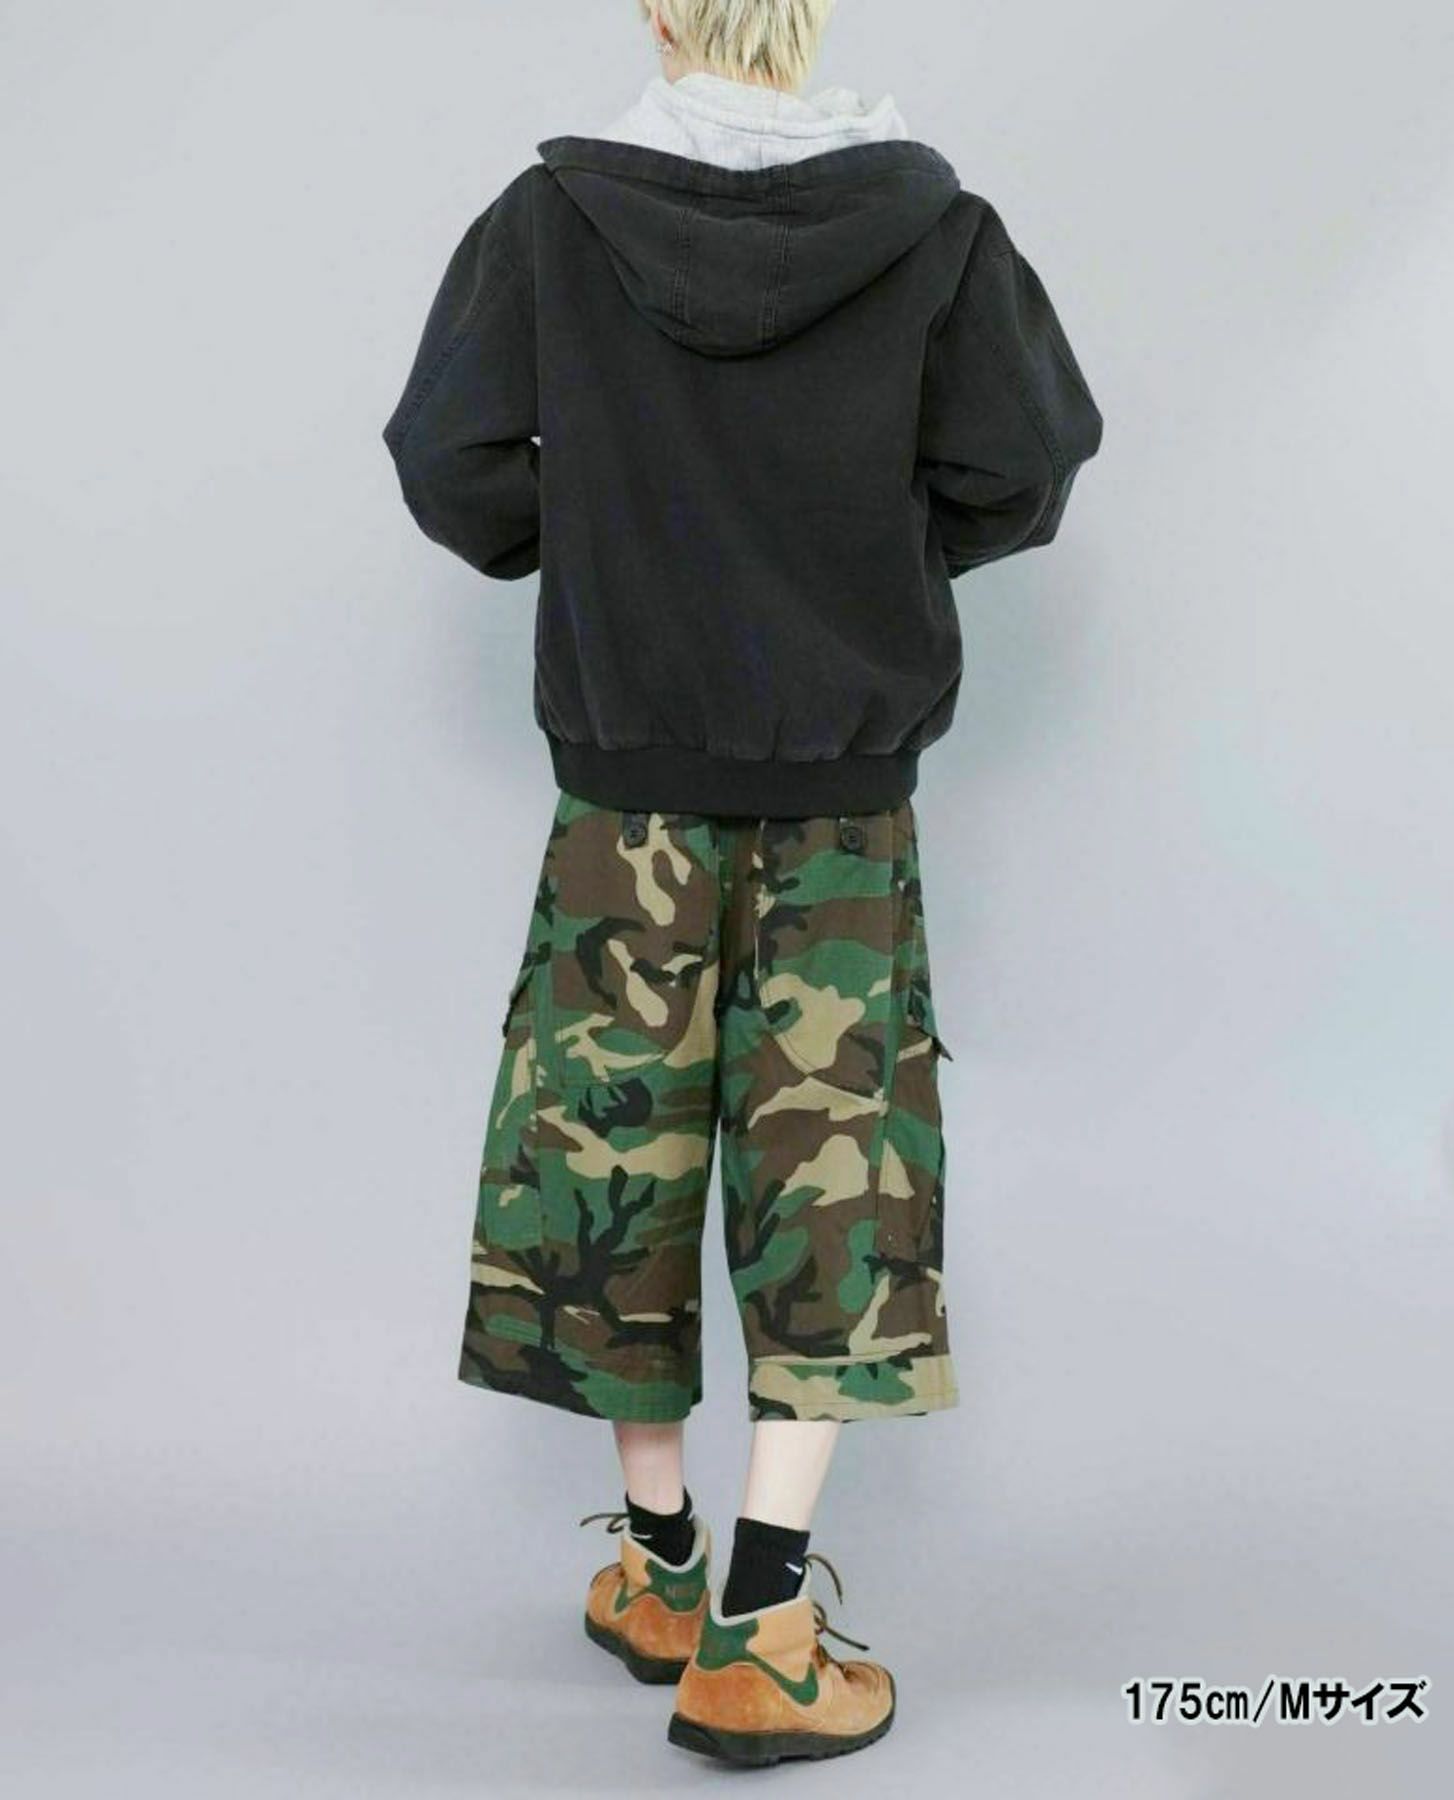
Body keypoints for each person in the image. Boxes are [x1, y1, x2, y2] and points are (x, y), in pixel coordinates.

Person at [381, 0, 1102, 1767]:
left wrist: (607, 551)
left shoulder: (552, 221)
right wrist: (864, 562)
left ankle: (659, 1567)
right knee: (832, 1182)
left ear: (659, 9)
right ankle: (763, 1625)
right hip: (840, 808)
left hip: (622, 798)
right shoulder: (935, 229)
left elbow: (446, 459)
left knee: (607, 1161)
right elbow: (1026, 463)